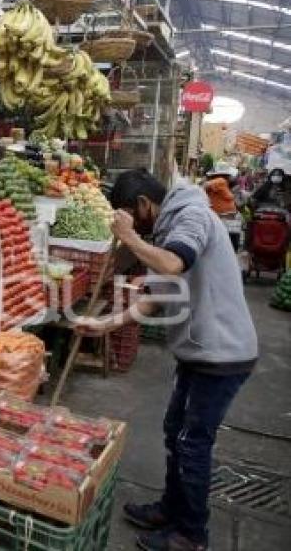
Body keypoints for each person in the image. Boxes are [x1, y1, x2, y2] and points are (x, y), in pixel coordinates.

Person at [75, 169, 257, 551]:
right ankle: (171, 508)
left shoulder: (191, 216)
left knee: (192, 442)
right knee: (176, 432)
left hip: (221, 352)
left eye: (128, 214)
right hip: (198, 351)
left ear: (143, 205)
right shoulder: (168, 227)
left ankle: (191, 534)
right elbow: (156, 297)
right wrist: (105, 325)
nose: (128, 222)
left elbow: (174, 264)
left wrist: (129, 238)